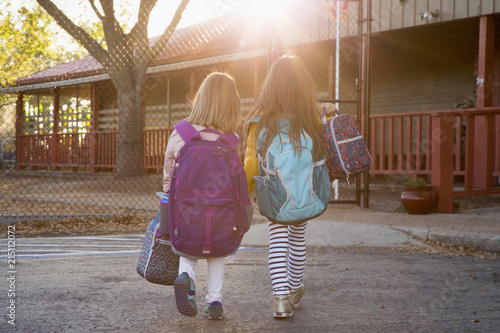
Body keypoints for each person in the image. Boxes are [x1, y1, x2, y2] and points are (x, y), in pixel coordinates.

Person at [244, 54, 326, 318]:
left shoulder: (261, 123)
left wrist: (246, 188)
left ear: (270, 87)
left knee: (277, 238)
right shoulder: (311, 121)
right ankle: (295, 286)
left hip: (276, 197)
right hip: (305, 194)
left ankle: (281, 299)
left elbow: (250, 162)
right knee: (298, 237)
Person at [163, 72, 247, 320]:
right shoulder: (231, 140)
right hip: (221, 211)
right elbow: (237, 180)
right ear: (232, 104)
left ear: (200, 99)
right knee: (219, 251)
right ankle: (215, 301)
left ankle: (186, 276)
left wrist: (168, 198)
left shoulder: (181, 133)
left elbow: (169, 171)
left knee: (188, 247)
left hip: (186, 208)